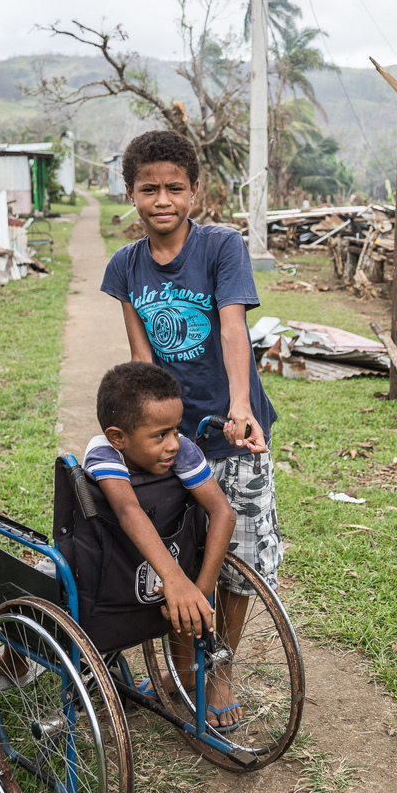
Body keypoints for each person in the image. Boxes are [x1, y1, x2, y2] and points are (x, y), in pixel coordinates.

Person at [100, 129, 281, 731]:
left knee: (239, 554)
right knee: (177, 545)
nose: (162, 200)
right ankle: (181, 654)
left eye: (175, 187)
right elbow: (141, 356)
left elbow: (233, 330)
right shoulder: (124, 267)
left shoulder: (221, 247)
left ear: (195, 191)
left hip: (234, 428)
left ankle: (219, 665)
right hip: (168, 437)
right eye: (148, 188)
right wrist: (139, 434)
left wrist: (239, 409)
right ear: (131, 193)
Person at [83, 361, 240, 727]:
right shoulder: (104, 452)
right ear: (118, 437)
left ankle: (184, 672)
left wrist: (199, 592)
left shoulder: (181, 449)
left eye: (176, 429)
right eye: (160, 435)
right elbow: (126, 511)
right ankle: (11, 662)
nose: (173, 443)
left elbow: (223, 514)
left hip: (156, 568)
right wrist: (174, 580)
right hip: (113, 568)